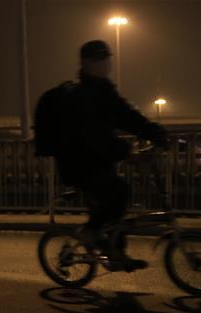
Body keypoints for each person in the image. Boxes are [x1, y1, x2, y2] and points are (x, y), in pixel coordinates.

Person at [55, 40, 170, 271]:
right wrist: (127, 152)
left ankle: (115, 252)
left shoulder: (104, 90)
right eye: (101, 60)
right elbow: (93, 135)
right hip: (77, 164)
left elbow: (127, 115)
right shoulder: (81, 95)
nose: (107, 64)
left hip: (98, 162)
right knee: (118, 192)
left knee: (116, 206)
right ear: (87, 63)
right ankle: (91, 235)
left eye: (108, 59)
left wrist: (157, 133)